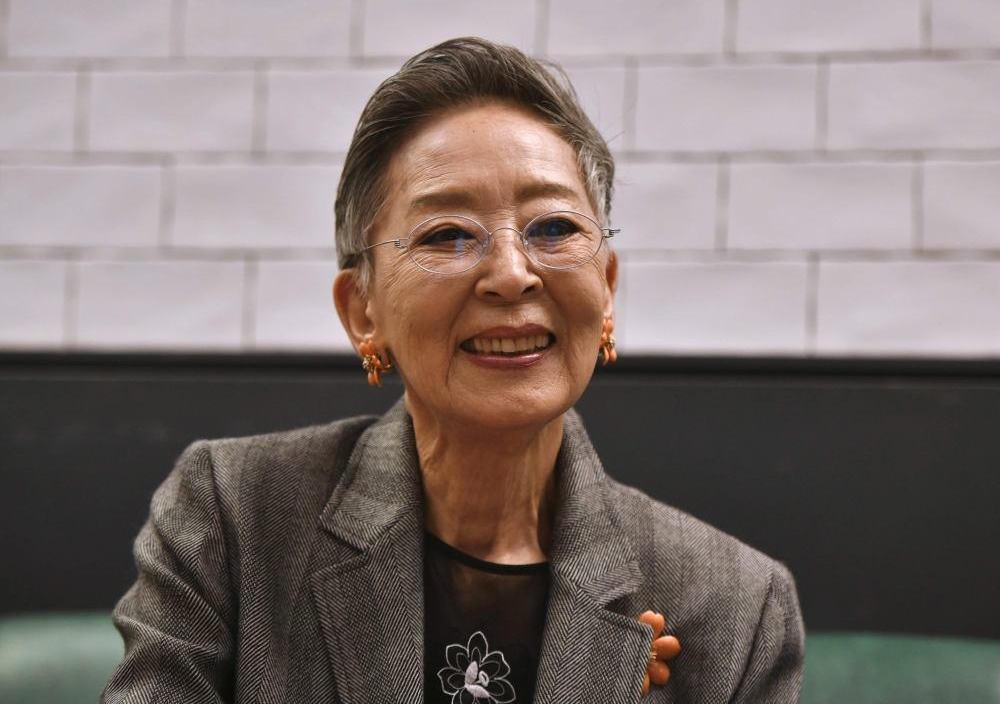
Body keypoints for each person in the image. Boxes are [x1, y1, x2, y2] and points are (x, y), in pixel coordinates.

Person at [102, 37, 804, 704]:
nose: (511, 274)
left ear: (608, 287)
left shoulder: (734, 604)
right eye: (447, 235)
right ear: (362, 310)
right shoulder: (236, 520)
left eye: (555, 228)